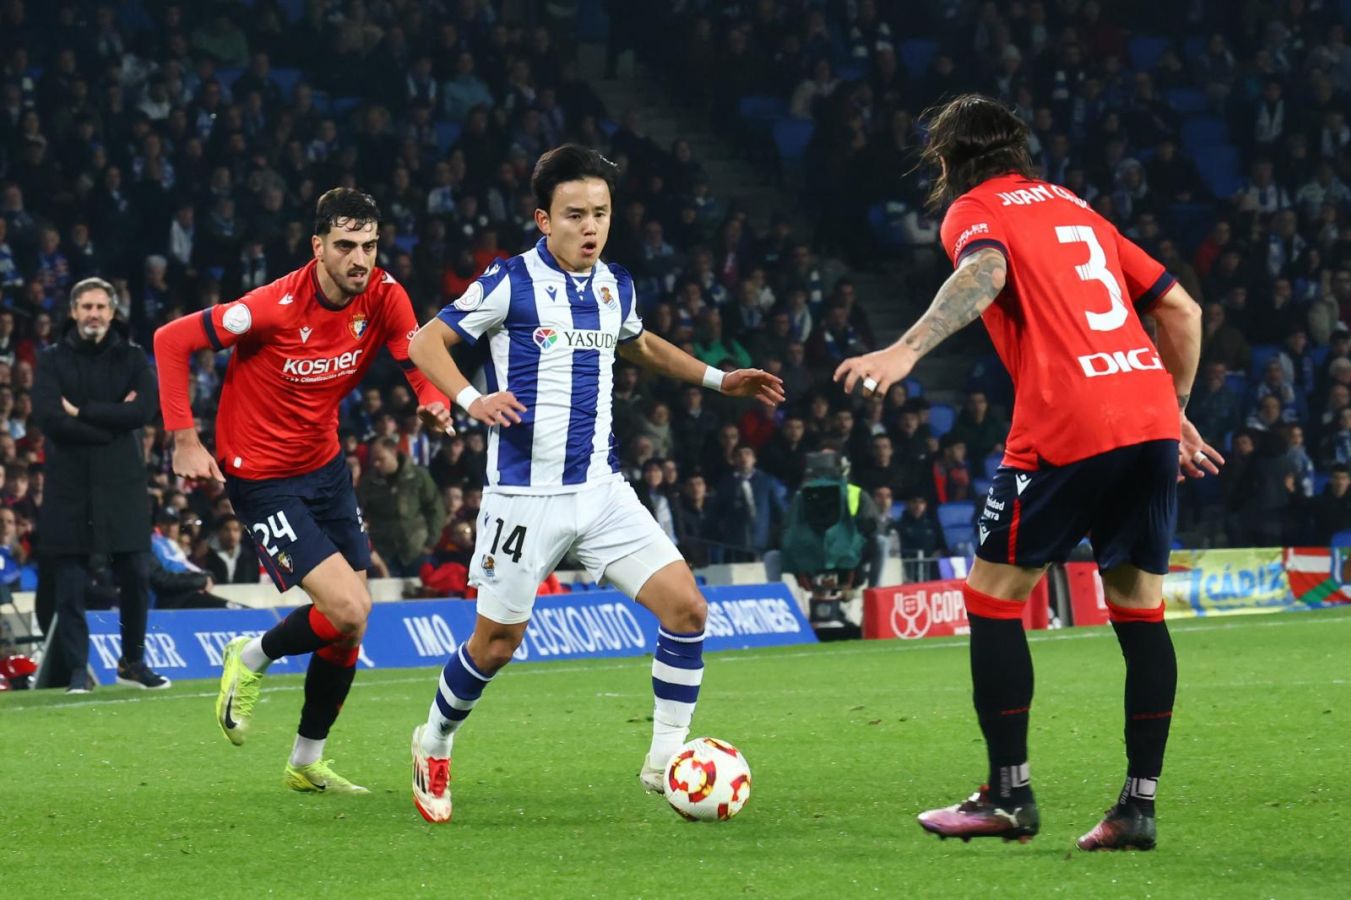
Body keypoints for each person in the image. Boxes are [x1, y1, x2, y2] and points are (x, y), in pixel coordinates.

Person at [834, 95, 1222, 851]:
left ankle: (1008, 794)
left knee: (992, 597)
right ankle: (1135, 808)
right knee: (1139, 611)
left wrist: (904, 352)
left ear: (945, 162)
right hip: (1144, 416)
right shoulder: (1077, 207)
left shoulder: (974, 210)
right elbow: (1182, 313)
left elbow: (984, 270)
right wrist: (1168, 409)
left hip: (1066, 423)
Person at [404, 145, 784, 823]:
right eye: (575, 214)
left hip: (602, 492)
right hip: (524, 498)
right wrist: (471, 401)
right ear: (541, 218)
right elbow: (424, 343)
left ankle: (665, 758)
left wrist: (720, 380)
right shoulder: (507, 283)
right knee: (495, 645)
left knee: (688, 610)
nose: (590, 227)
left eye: (600, 214)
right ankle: (432, 739)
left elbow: (639, 343)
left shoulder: (616, 284)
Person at [153, 188, 451, 794]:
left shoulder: (385, 294)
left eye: (369, 245)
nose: (360, 259)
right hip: (261, 477)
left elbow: (414, 352)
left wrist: (432, 397)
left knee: (351, 626)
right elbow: (170, 340)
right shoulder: (269, 307)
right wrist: (184, 439)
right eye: (345, 246)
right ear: (317, 247)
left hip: (325, 468)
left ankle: (305, 760)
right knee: (347, 609)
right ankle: (253, 654)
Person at [33, 277, 167, 693]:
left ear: (113, 312)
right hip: (69, 485)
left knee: (137, 574)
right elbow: (50, 418)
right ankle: (78, 671)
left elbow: (144, 411)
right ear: (73, 311)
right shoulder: (51, 359)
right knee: (69, 581)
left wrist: (84, 412)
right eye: (86, 307)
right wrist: (110, 425)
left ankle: (132, 663)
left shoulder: (132, 357)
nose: (93, 314)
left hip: (122, 484)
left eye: (100, 307)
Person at [356, 436, 445, 578]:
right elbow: (359, 511)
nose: (377, 464)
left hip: (416, 548)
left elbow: (435, 508)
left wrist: (430, 543)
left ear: (393, 453)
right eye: (374, 460)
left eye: (381, 459)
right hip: (384, 551)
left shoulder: (417, 476)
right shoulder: (368, 482)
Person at [203, 514, 261, 585]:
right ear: (218, 532)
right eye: (226, 530)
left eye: (236, 530)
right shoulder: (206, 556)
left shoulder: (250, 557)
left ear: (241, 533)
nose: (231, 534)